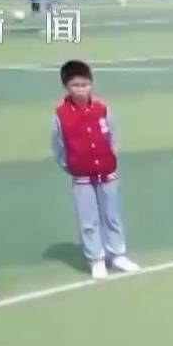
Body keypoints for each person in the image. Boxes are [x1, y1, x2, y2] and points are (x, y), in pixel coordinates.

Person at [51, 60, 139, 280]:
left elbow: (112, 135)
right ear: (66, 87)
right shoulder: (61, 114)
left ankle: (117, 254)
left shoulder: (101, 108)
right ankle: (96, 259)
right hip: (82, 177)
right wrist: (71, 166)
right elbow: (57, 147)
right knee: (88, 220)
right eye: (75, 85)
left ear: (91, 84)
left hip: (107, 172)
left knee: (112, 215)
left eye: (85, 84)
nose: (81, 89)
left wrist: (112, 156)